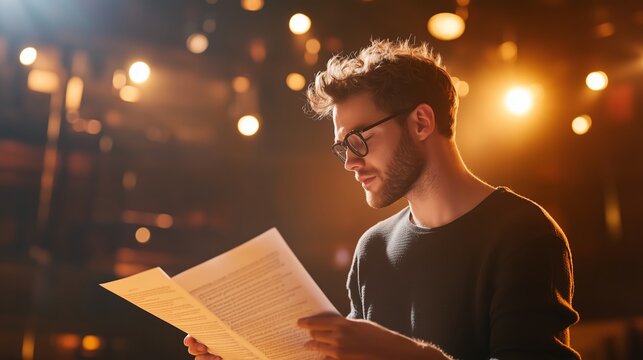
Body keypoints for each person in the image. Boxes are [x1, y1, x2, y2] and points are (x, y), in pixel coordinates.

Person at [184, 39, 581, 359]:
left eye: (358, 139)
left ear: (421, 122)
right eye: (342, 148)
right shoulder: (373, 247)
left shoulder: (522, 234)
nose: (350, 162)